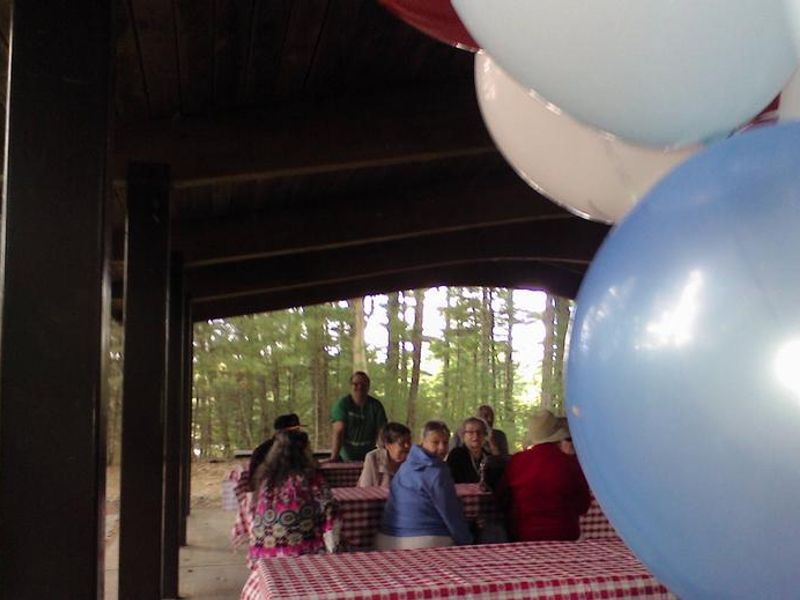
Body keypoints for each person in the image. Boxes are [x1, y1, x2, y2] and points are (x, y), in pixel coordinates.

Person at [246, 429, 340, 566]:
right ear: (304, 452)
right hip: (302, 554)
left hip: (262, 556)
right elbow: (331, 512)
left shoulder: (265, 480)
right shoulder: (310, 479)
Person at [495, 408, 591, 541]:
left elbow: (502, 498)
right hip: (564, 536)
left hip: (523, 536)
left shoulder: (517, 461)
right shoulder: (569, 463)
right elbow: (583, 505)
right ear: (558, 437)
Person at [375, 420, 473, 550]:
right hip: (423, 541)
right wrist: (468, 543)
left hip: (385, 539)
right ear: (423, 441)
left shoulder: (406, 465)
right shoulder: (437, 471)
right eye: (435, 442)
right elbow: (451, 513)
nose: (442, 448)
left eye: (445, 442)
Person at [329, 371, 387, 462]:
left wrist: (383, 456)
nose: (359, 387)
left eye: (363, 384)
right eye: (355, 384)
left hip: (369, 456)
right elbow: (338, 431)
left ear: (368, 387)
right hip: (346, 456)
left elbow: (382, 433)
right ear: (350, 386)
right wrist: (333, 458)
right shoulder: (342, 405)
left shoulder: (376, 406)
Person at [246, 413, 305, 491]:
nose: (297, 435)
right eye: (291, 432)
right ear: (280, 433)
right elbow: (253, 481)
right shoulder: (262, 450)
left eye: (297, 431)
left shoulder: (300, 448)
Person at [358, 422, 412, 487]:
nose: (407, 446)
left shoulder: (412, 459)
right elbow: (365, 490)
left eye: (409, 442)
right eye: (402, 443)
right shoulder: (373, 458)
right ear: (388, 445)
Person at [446, 416, 489, 484]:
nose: (475, 435)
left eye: (479, 432)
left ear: (485, 435)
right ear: (463, 435)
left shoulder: (489, 457)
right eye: (471, 432)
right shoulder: (456, 455)